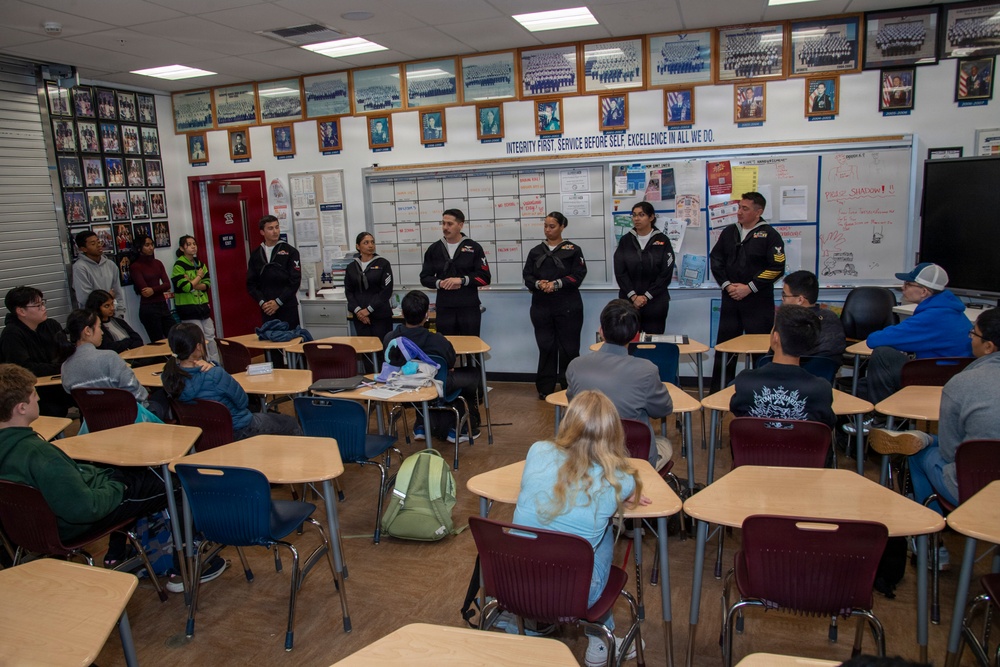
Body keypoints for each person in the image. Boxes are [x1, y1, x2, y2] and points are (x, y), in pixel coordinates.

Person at [513, 390, 647, 667]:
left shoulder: (537, 450)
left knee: (549, 530)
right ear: (614, 432)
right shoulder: (620, 478)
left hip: (515, 580)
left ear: (568, 422)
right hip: (574, 591)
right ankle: (599, 639)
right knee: (603, 531)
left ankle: (516, 623)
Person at [0, 363, 176, 567]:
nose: (38, 398)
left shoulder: (19, 451)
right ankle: (181, 566)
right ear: (21, 408)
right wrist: (119, 485)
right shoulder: (40, 455)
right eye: (33, 394)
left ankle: (116, 553)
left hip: (29, 530)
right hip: (74, 523)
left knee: (124, 472)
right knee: (171, 482)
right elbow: (86, 508)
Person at [869, 308, 1000, 564]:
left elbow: (952, 453)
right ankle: (921, 437)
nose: (969, 338)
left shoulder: (963, 383)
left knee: (919, 453)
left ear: (988, 346)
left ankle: (931, 547)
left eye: (974, 333)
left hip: (977, 490)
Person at [566, 299, 672, 467]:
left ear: (601, 331)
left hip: (587, 455)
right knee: (665, 444)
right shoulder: (646, 370)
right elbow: (663, 409)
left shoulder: (575, 366)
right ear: (636, 334)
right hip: (629, 459)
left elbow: (574, 404)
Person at [161, 323, 302, 440]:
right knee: (291, 423)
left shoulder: (169, 376)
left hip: (202, 434)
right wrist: (214, 366)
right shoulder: (214, 374)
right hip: (238, 429)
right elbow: (242, 402)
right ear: (198, 347)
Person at [863, 263, 972, 405]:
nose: (903, 288)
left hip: (937, 378)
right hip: (953, 375)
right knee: (864, 383)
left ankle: (881, 419)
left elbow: (873, 340)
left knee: (882, 354)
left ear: (924, 292)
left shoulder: (931, 316)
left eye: (908, 284)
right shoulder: (951, 310)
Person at [709, 191, 785, 392]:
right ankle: (720, 391)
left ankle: (762, 391)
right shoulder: (729, 232)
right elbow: (716, 260)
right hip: (731, 299)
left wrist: (749, 288)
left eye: (745, 208)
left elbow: (777, 268)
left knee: (760, 350)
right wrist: (727, 285)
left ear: (758, 212)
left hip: (758, 302)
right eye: (739, 208)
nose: (739, 212)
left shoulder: (770, 235)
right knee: (725, 348)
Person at [383, 291, 481, 442]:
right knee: (472, 375)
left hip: (402, 388)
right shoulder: (437, 340)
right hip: (434, 386)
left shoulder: (390, 338)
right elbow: (450, 361)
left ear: (402, 313)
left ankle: (421, 425)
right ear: (426, 315)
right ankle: (460, 427)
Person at [730, 304, 835, 429]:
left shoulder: (746, 381)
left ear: (776, 337)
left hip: (757, 448)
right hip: (801, 448)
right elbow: (827, 425)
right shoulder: (821, 389)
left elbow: (737, 416)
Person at [60, 309, 169, 423]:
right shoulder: (109, 357)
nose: (102, 332)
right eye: (99, 327)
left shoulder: (65, 367)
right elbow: (138, 393)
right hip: (129, 420)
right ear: (87, 331)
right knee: (163, 395)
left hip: (96, 424)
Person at [523, 211, 587, 399]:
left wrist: (556, 284)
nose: (548, 230)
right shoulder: (536, 251)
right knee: (546, 346)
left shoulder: (573, 250)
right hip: (541, 307)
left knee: (569, 348)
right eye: (545, 226)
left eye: (552, 226)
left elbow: (578, 275)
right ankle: (545, 388)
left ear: (562, 227)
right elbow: (527, 276)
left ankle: (570, 386)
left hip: (568, 306)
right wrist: (539, 284)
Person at [0, 286, 72, 417]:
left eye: (43, 303)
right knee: (54, 409)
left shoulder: (51, 325)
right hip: (35, 391)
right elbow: (24, 369)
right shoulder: (11, 334)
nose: (43, 308)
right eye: (38, 306)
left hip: (61, 382)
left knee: (89, 395)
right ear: (21, 311)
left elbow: (66, 352)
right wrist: (61, 367)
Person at [419, 209, 491, 336]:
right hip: (444, 309)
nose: (445, 227)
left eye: (449, 224)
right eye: (443, 223)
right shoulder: (434, 249)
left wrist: (462, 280)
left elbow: (485, 278)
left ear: (460, 225)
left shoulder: (474, 248)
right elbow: (424, 277)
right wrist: (440, 283)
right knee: (447, 348)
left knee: (470, 348)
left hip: (469, 308)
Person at [613, 201, 676, 335]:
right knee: (628, 340)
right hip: (629, 300)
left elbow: (666, 274)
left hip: (656, 300)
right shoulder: (625, 240)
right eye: (634, 215)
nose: (636, 218)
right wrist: (634, 296)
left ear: (651, 217)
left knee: (653, 343)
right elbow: (620, 271)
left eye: (641, 215)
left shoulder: (663, 240)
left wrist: (646, 296)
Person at [344, 232, 394, 370]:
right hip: (360, 317)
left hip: (380, 316)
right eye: (366, 243)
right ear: (358, 246)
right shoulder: (351, 267)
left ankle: (385, 379)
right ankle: (370, 379)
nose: (370, 245)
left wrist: (368, 310)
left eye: (372, 242)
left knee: (382, 350)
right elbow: (349, 292)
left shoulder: (383, 264)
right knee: (366, 351)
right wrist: (358, 311)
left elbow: (386, 291)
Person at [246, 215, 302, 329]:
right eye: (270, 228)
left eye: (277, 227)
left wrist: (278, 302)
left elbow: (295, 281)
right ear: (262, 232)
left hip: (287, 305)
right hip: (267, 308)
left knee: (291, 341)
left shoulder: (290, 251)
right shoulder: (256, 254)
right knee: (271, 341)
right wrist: (262, 302)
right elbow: (251, 284)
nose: (275, 231)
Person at [171, 235, 219, 364]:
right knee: (198, 339)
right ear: (182, 248)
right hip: (188, 309)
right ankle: (202, 364)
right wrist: (198, 277)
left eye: (194, 244)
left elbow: (207, 284)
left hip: (202, 307)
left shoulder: (200, 264)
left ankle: (215, 363)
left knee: (210, 337)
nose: (193, 246)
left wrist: (193, 284)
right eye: (189, 244)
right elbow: (185, 287)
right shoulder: (179, 265)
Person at [780, 270, 846, 363]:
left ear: (800, 299)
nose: (782, 299)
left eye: (784, 295)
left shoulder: (791, 322)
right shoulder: (832, 317)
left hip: (795, 375)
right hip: (826, 375)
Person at [130, 234, 176, 342]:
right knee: (158, 342)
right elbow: (145, 291)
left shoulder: (157, 263)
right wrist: (160, 288)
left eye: (152, 244)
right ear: (139, 248)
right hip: (148, 308)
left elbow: (167, 284)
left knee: (174, 335)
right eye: (147, 245)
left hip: (163, 305)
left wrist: (153, 290)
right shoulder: (135, 266)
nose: (151, 247)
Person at [72, 230, 120, 313]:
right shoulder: (79, 267)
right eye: (93, 244)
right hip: (93, 317)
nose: (98, 245)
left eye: (98, 242)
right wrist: (108, 297)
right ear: (83, 249)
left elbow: (117, 292)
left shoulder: (110, 264)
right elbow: (85, 298)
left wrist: (120, 313)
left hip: (113, 314)